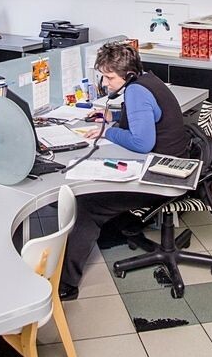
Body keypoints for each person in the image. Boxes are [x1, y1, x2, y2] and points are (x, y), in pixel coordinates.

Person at [58, 42, 188, 300]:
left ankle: (66, 285)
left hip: (164, 176)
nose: (105, 84)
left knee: (87, 205)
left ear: (128, 75)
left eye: (109, 78)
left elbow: (142, 143)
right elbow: (145, 119)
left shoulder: (136, 91)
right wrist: (114, 120)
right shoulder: (147, 80)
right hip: (177, 162)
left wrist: (109, 132)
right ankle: (127, 225)